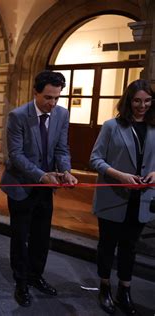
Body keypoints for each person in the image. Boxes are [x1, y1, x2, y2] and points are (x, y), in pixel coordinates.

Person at [0, 70, 78, 307]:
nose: (52, 103)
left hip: (47, 186)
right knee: (21, 237)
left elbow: (62, 149)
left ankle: (36, 276)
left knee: (42, 237)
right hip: (22, 185)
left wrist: (66, 171)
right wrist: (42, 175)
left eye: (56, 98)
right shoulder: (18, 116)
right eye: (47, 97)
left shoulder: (62, 114)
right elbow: (15, 156)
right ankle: (21, 282)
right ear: (35, 92)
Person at [90, 79, 155, 315]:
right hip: (113, 196)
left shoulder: (154, 126)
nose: (142, 105)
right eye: (137, 100)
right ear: (128, 101)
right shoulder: (111, 126)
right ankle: (105, 287)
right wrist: (120, 176)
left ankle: (124, 290)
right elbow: (95, 160)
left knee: (130, 247)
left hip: (143, 198)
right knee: (107, 245)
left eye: (147, 101)